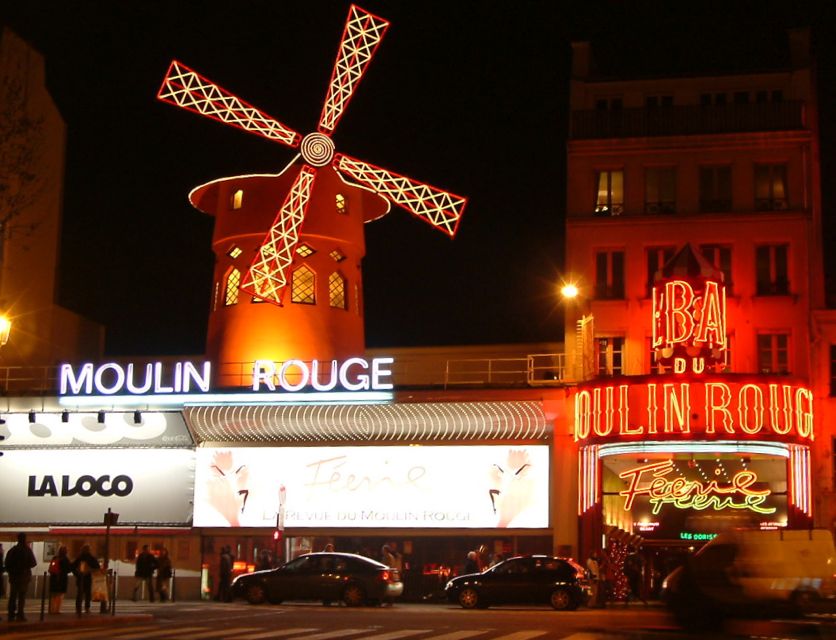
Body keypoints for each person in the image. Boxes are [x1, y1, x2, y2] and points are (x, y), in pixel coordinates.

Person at [5, 532, 37, 622]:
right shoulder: (27, 550)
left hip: (14, 576)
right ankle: (20, 614)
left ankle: (11, 614)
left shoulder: (13, 550)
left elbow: (7, 563)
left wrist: (12, 571)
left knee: (13, 595)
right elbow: (33, 563)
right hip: (24, 576)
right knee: (22, 596)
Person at [71, 544, 100, 616]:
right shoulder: (91, 558)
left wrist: (77, 574)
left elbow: (72, 567)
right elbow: (97, 568)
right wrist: (91, 571)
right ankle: (86, 608)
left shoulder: (79, 558)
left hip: (81, 578)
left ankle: (78, 608)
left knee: (80, 594)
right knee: (87, 594)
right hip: (88, 578)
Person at [48, 546, 72, 614]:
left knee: (53, 594)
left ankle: (51, 609)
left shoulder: (55, 558)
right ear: (65, 552)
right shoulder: (65, 559)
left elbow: (51, 568)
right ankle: (56, 610)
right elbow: (69, 569)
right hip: (62, 579)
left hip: (53, 578)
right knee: (60, 595)